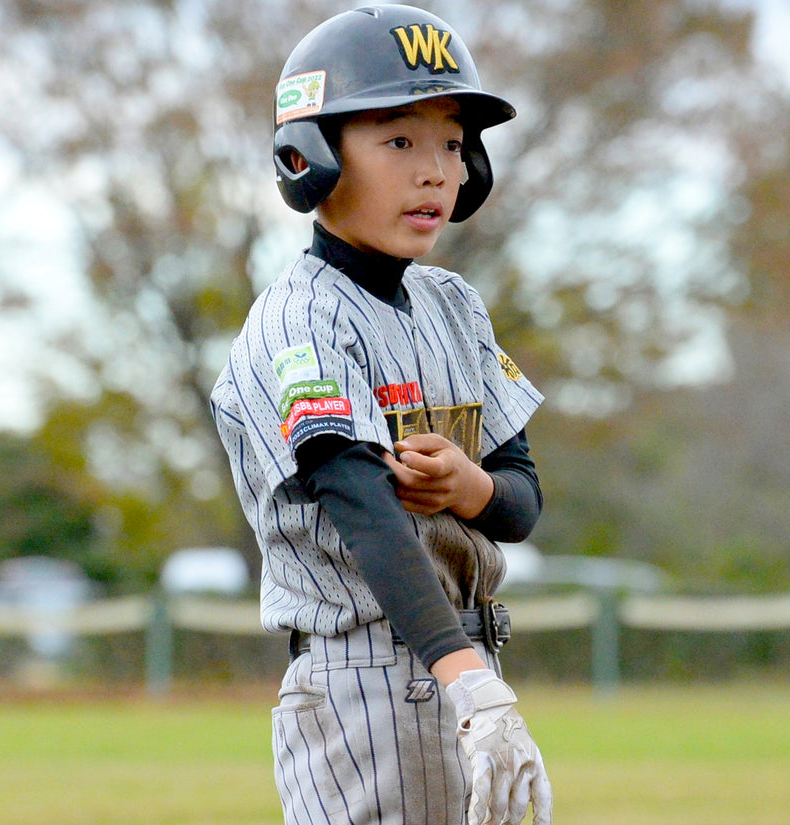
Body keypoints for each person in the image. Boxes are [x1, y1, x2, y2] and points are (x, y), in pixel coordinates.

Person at [211, 5, 552, 825]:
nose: (436, 170)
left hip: (460, 660)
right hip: (366, 679)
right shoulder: (300, 322)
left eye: (450, 142)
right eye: (399, 141)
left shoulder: (454, 306)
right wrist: (467, 677)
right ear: (313, 156)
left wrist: (469, 486)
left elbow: (522, 501)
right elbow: (364, 513)